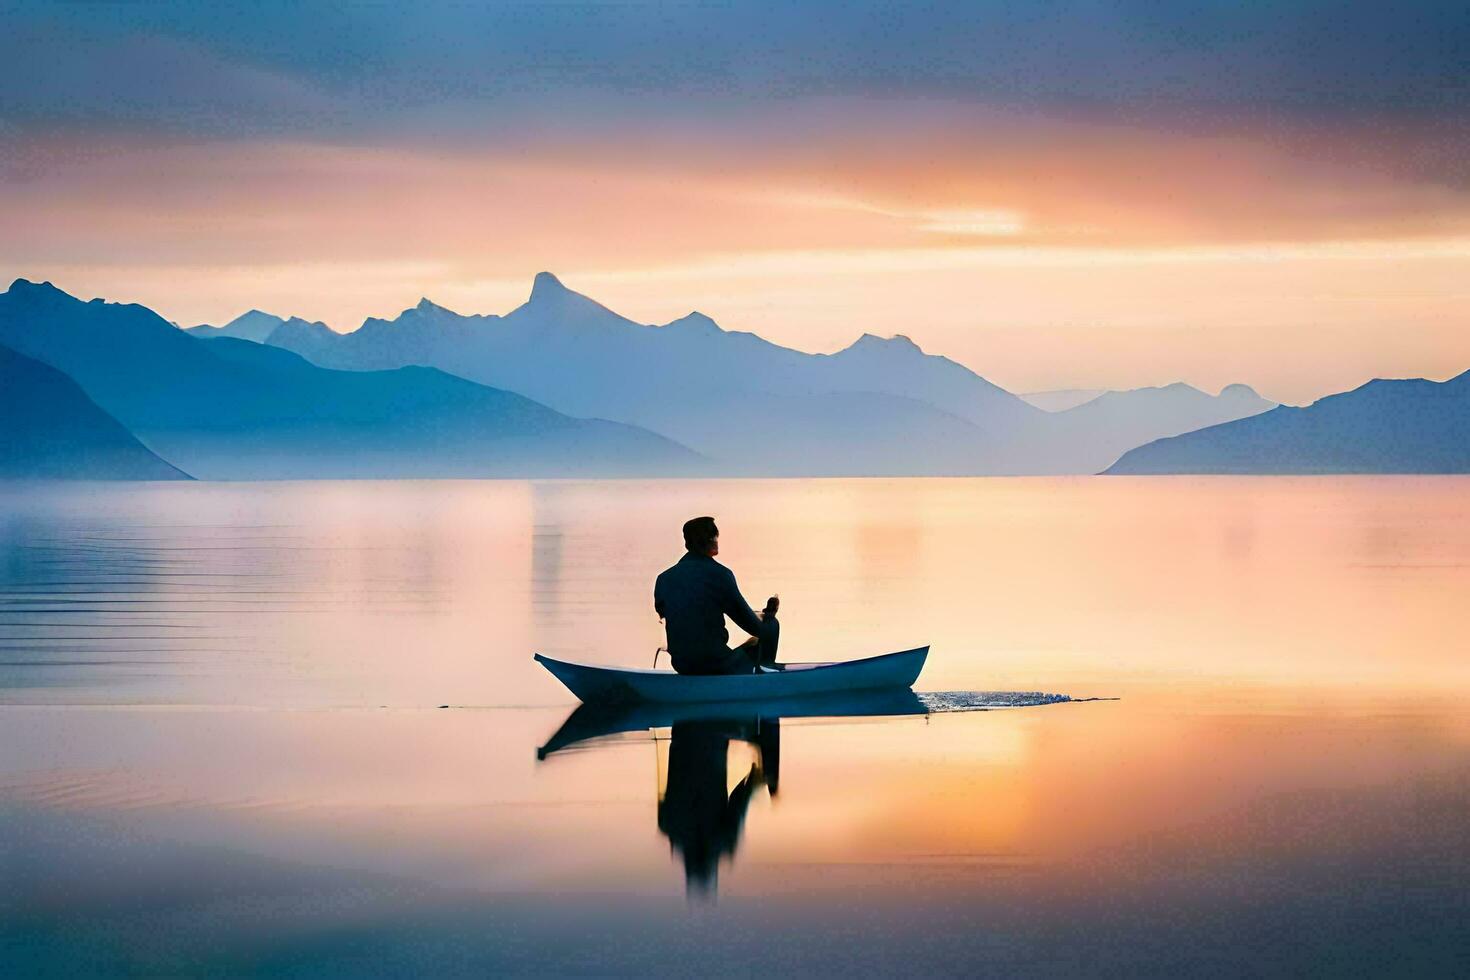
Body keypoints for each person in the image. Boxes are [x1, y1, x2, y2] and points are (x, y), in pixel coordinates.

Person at [653, 516, 780, 675]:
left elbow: (682, 614)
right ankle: (764, 682)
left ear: (687, 544)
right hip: (716, 664)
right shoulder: (721, 575)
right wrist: (768, 617)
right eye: (716, 537)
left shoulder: (663, 579)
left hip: (681, 665)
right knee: (771, 627)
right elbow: (755, 627)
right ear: (713, 540)